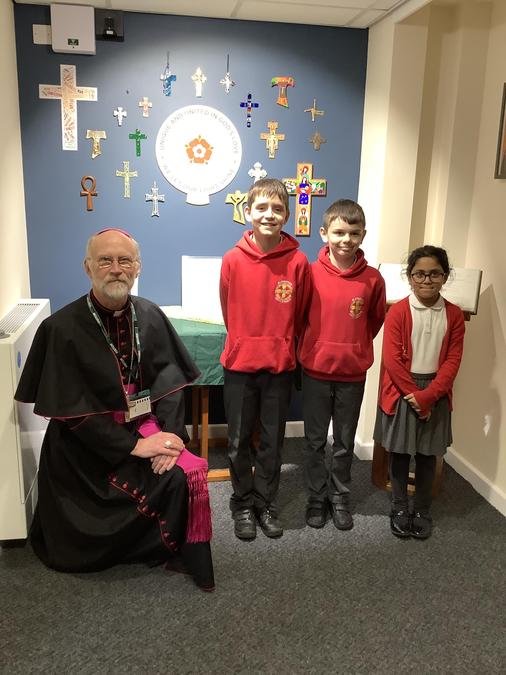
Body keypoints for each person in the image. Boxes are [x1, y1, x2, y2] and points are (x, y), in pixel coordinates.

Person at [15, 228, 214, 590]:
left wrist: (169, 439)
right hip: (83, 449)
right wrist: (135, 446)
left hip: (140, 428)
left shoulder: (150, 315)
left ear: (137, 267)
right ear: (87, 267)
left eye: (125, 260)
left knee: (179, 473)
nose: (116, 268)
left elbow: (170, 386)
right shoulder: (61, 328)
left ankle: (156, 546)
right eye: (105, 260)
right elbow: (74, 415)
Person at [219, 178, 311, 540]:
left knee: (273, 441)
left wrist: (281, 344)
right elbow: (228, 308)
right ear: (248, 212)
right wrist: (245, 341)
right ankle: (242, 502)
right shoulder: (232, 259)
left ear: (286, 215)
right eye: (261, 208)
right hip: (240, 365)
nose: (269, 215)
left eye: (277, 209)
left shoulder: (298, 262)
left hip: (279, 367)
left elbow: (300, 314)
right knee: (238, 439)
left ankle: (265, 502)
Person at [298, 199, 386, 530]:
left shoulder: (373, 279)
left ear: (363, 235)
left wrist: (355, 347)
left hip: (352, 373)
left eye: (353, 233)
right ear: (324, 233)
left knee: (344, 442)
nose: (346, 239)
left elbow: (374, 321)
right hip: (316, 371)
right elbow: (299, 319)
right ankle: (316, 496)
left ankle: (339, 496)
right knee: (315, 440)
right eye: (338, 232)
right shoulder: (309, 273)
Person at [374, 245, 465, 539]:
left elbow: (453, 360)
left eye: (434, 273)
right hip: (403, 390)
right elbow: (392, 360)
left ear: (445, 276)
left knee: (427, 455)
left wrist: (428, 396)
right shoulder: (398, 311)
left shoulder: (453, 314)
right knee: (400, 453)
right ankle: (400, 506)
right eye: (420, 274)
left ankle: (422, 508)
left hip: (435, 392)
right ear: (410, 277)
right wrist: (414, 395)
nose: (427, 280)